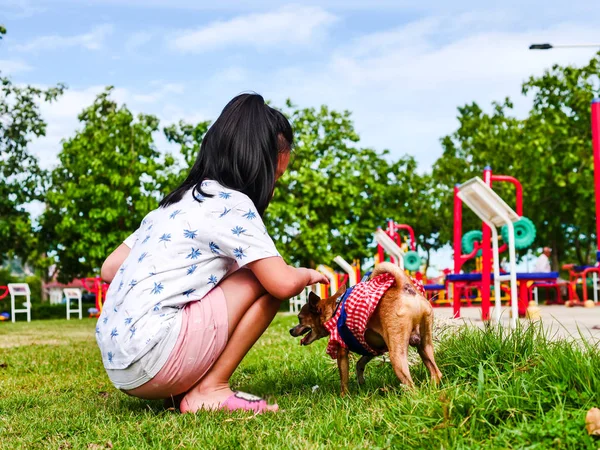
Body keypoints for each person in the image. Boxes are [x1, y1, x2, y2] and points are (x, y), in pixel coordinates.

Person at [96, 93, 328, 414]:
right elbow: (281, 284)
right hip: (157, 359)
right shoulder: (233, 203)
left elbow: (110, 268)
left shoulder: (173, 204)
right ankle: (209, 389)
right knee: (262, 280)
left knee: (235, 270)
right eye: (275, 177)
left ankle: (181, 388)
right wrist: (306, 274)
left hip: (120, 364)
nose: (273, 188)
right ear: (258, 165)